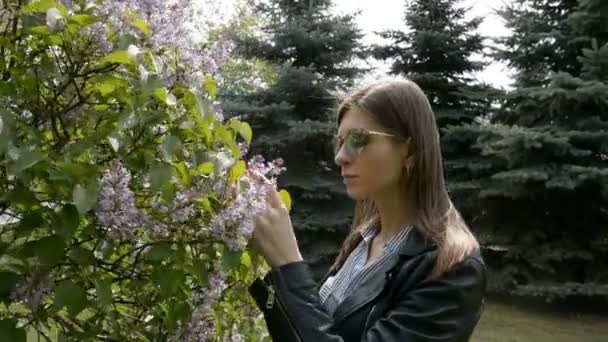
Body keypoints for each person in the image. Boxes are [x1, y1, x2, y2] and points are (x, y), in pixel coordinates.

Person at [249, 79, 487, 341]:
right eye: (339, 142)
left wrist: (288, 265)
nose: (341, 156)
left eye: (358, 140)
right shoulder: (363, 241)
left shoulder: (453, 270)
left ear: (410, 150)